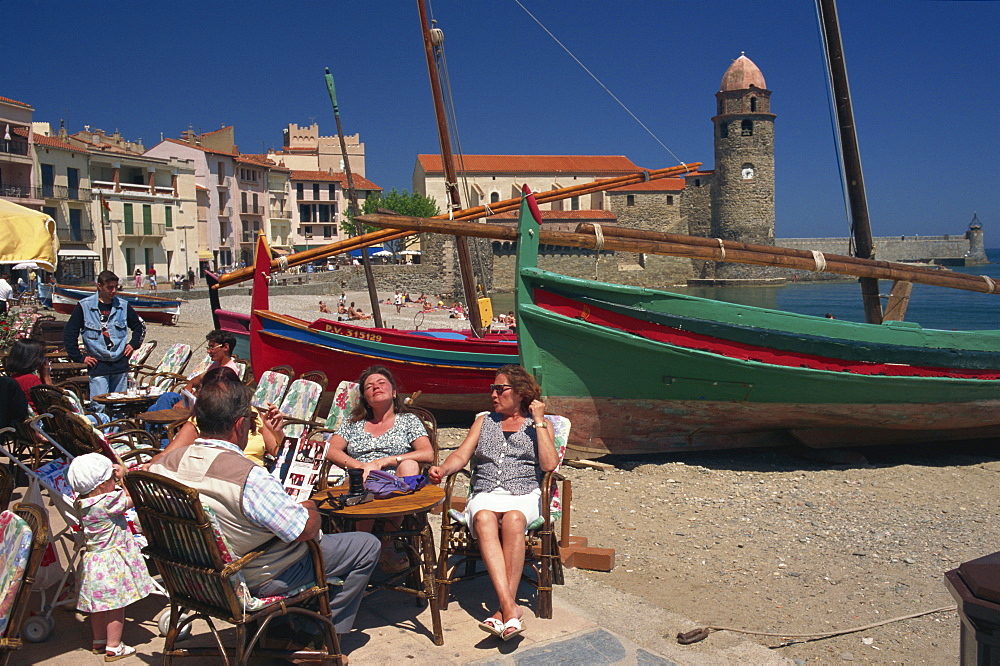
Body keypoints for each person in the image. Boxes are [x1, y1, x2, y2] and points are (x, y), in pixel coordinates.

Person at [147, 380, 380, 640]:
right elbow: (303, 530)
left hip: (191, 576)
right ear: (239, 424)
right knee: (366, 546)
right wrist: (310, 508)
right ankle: (317, 635)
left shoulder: (161, 467)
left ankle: (282, 624)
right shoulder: (248, 476)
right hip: (255, 576)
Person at [428, 365, 557, 641]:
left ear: (521, 393)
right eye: (492, 389)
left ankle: (503, 610)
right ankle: (510, 607)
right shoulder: (484, 420)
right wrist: (444, 469)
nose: (493, 395)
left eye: (500, 389)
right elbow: (462, 455)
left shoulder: (538, 425)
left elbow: (549, 465)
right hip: (485, 492)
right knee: (484, 517)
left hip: (524, 493)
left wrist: (539, 419)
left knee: (513, 519)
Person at [324, 365, 434, 570]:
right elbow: (330, 449)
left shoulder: (408, 421)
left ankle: (387, 541)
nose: (375, 387)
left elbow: (426, 453)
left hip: (395, 481)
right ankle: (363, 544)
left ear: (393, 392)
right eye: (369, 386)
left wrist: (385, 461)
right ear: (364, 397)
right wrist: (361, 466)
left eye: (381, 383)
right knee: (365, 479)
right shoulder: (353, 423)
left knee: (410, 464)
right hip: (358, 479)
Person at [67, 452, 156, 660]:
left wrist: (113, 479)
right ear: (100, 485)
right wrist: (124, 478)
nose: (113, 482)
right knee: (116, 606)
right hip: (111, 563)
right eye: (111, 479)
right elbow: (134, 498)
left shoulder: (81, 503)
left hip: (93, 561)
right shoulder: (108, 501)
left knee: (98, 606)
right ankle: (114, 646)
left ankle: (98, 640)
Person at [63, 270, 146, 409]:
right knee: (99, 405)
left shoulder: (123, 306)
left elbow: (140, 326)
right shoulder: (84, 306)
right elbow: (69, 333)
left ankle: (117, 430)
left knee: (119, 406)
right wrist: (79, 357)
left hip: (119, 363)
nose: (113, 291)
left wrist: (133, 344)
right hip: (98, 364)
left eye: (116, 287)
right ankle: (102, 430)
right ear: (99, 286)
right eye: (110, 287)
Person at [6, 338, 52, 410]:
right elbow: (50, 401)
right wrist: (46, 376)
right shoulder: (30, 379)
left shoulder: (14, 378)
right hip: (40, 418)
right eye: (42, 356)